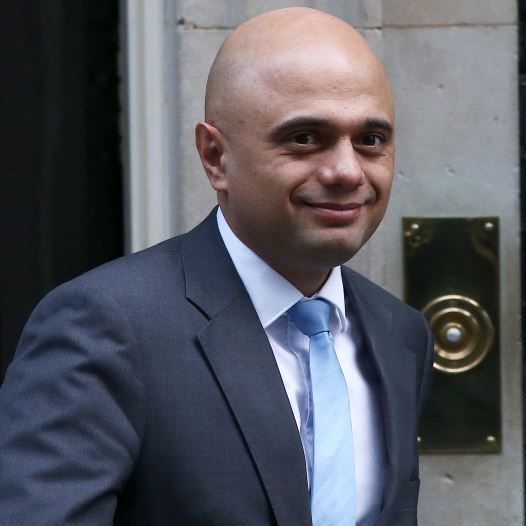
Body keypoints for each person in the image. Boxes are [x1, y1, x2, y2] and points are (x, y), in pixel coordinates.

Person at [0, 7, 433, 526]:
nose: (345, 171)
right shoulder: (106, 327)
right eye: (304, 138)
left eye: (370, 140)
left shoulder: (400, 335)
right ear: (215, 156)